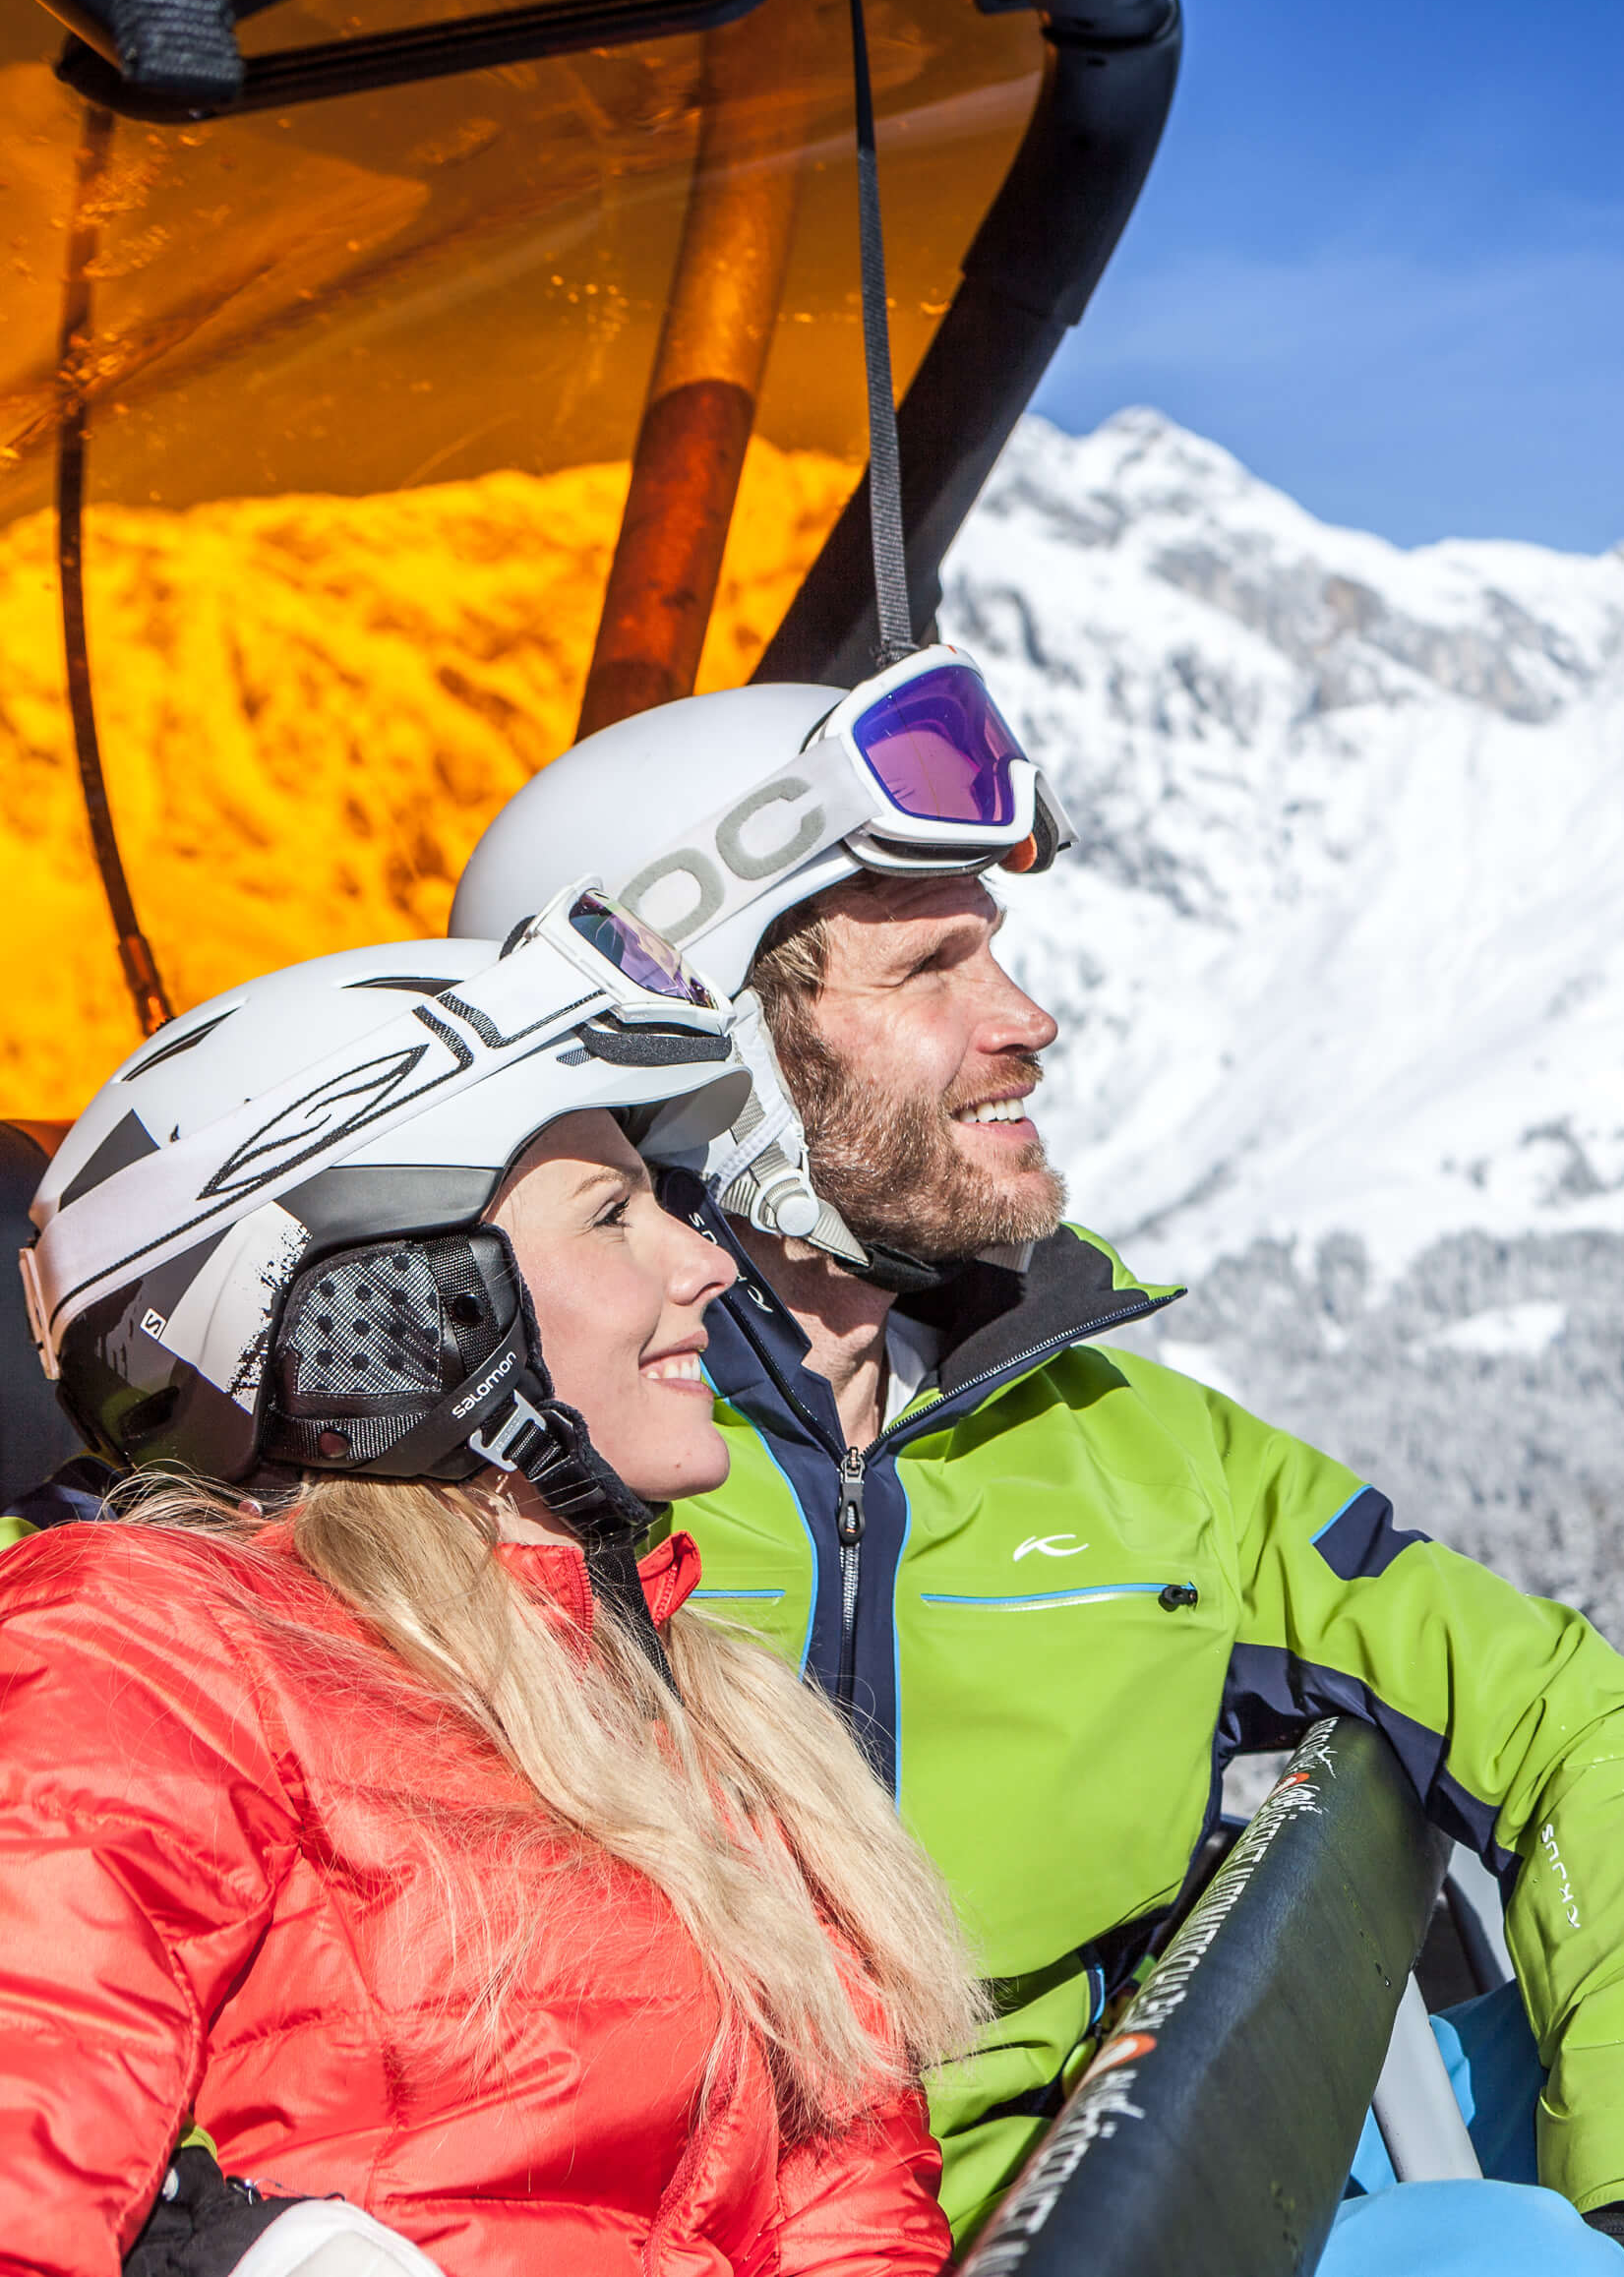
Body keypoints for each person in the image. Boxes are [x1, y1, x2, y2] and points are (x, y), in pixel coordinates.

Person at [447, 650, 1624, 2276]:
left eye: (995, 950)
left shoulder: (1120, 1448)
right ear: (690, 1058)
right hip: (851, 2231)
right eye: (930, 968)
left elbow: (1580, 1719)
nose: (1025, 1019)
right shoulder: (504, 1499)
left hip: (1134, 2157)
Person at [2, 891, 986, 2275]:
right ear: (390, 1309)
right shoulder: (148, 1659)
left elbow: (853, 2209)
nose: (708, 1263)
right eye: (613, 1214)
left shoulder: (702, 1711)